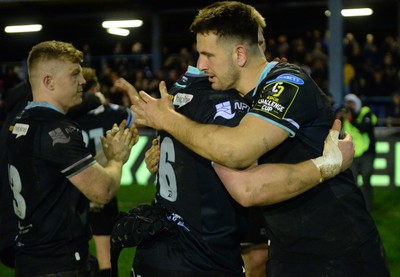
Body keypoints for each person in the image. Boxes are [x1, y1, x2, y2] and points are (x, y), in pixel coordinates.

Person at [130, 1, 389, 276]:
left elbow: (241, 165)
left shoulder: (287, 83)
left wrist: (168, 119)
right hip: (285, 252)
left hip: (340, 251)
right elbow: (240, 180)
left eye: (208, 55)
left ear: (240, 54)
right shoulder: (233, 99)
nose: (201, 65)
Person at [5, 40, 138, 276]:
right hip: (59, 264)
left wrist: (107, 154)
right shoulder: (57, 131)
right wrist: (117, 159)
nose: (83, 81)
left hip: (31, 259)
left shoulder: (21, 122)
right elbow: (102, 191)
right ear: (49, 82)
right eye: (74, 74)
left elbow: (67, 177)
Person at [74, 67, 135, 276]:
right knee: (105, 252)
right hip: (103, 180)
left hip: (76, 184)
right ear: (96, 88)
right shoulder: (113, 113)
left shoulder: (69, 117)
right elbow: (134, 117)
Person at [336, 93, 377, 211]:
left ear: (357, 103)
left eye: (352, 103)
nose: (350, 107)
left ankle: (368, 208)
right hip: (352, 154)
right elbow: (336, 130)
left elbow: (365, 128)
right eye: (348, 104)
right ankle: (354, 207)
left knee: (366, 179)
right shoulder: (345, 117)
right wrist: (338, 118)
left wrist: (351, 119)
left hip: (367, 153)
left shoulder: (365, 112)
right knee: (352, 182)